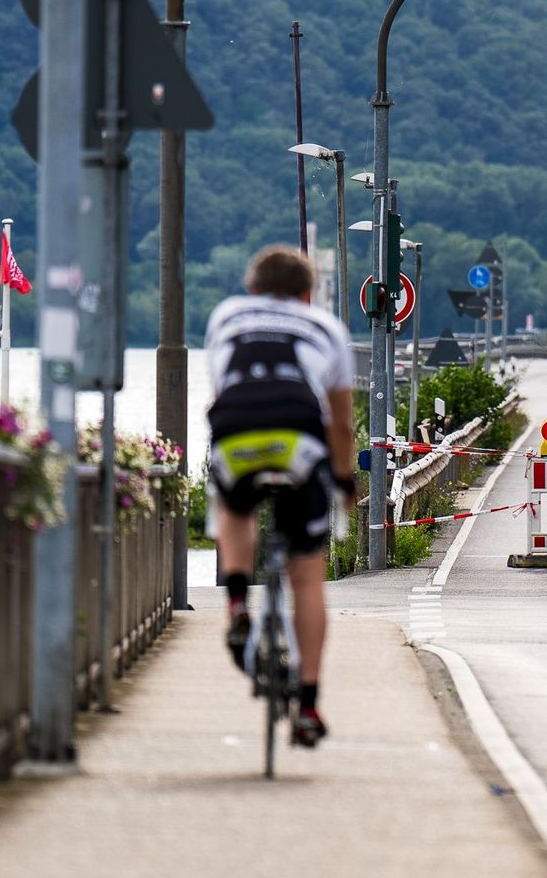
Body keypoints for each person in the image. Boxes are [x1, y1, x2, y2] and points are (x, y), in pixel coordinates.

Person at [205, 244, 356, 747]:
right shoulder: (328, 328)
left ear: (252, 288)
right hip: (299, 438)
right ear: (307, 293)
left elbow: (223, 385)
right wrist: (345, 482)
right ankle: (309, 704)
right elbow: (340, 425)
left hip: (237, 431)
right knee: (308, 577)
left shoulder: (227, 315)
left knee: (234, 506)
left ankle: (235, 606)